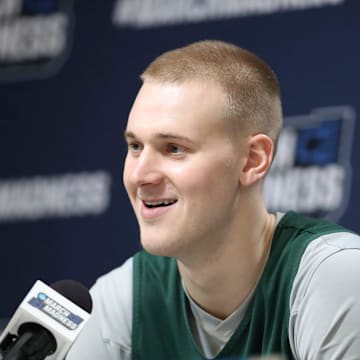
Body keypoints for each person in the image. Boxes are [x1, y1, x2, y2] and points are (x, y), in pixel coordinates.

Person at [66, 40, 360, 359]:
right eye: (135, 146)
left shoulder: (336, 275)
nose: (140, 176)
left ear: (251, 160)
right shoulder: (123, 297)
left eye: (174, 149)